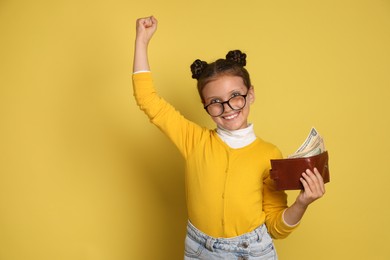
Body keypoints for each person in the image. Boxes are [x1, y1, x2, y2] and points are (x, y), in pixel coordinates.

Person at [132, 16, 325, 260]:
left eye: (236, 95)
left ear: (250, 94)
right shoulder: (194, 140)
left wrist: (303, 202)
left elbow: (276, 227)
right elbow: (148, 100)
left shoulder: (269, 154)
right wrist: (142, 40)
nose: (228, 108)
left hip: (251, 251)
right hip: (198, 248)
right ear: (204, 105)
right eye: (215, 102)